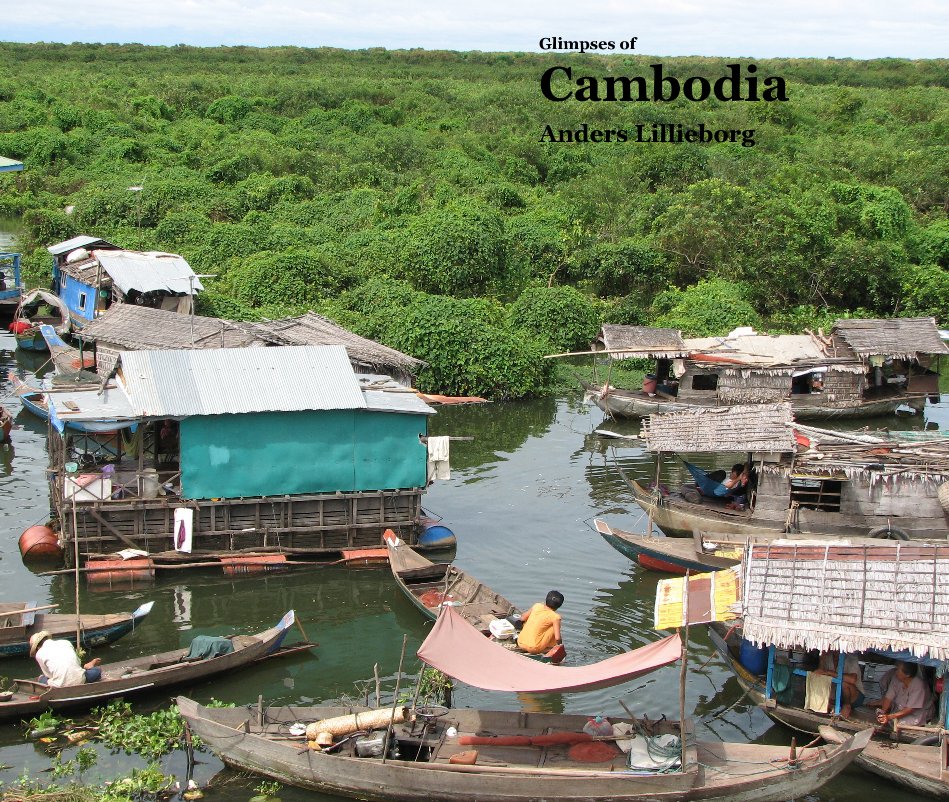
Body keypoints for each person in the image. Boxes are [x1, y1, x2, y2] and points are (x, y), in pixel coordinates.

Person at [870, 660, 935, 727]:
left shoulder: (918, 685)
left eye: (898, 670)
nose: (896, 672)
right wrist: (882, 712)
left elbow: (910, 709)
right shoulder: (896, 678)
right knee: (890, 721)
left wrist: (889, 717)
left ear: (907, 675)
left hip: (917, 715)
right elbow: (888, 697)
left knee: (899, 724)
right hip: (900, 710)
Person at [29, 631, 102, 688]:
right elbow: (78, 663)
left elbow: (48, 675)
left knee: (41, 679)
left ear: (37, 647)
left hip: (58, 687)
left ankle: (87, 667)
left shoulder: (39, 654)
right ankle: (88, 667)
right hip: (80, 680)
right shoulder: (66, 642)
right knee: (97, 671)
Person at [816, 650, 865, 718]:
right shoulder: (828, 658)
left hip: (854, 697)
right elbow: (820, 673)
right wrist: (821, 659)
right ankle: (833, 706)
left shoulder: (851, 658)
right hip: (835, 696)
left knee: (844, 682)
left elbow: (852, 679)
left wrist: (829, 672)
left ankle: (846, 706)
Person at [517, 590, 564, 655]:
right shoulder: (555, 617)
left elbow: (523, 618)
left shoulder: (537, 606)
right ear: (559, 606)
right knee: (554, 626)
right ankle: (550, 648)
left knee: (531, 620)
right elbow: (557, 638)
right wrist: (560, 646)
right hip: (534, 648)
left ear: (546, 600)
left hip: (520, 642)